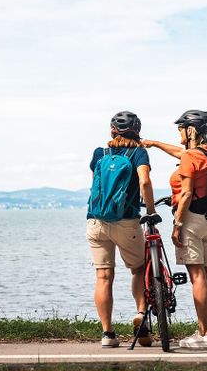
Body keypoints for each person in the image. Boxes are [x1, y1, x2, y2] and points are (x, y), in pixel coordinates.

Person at [143, 109, 207, 349]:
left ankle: (203, 334)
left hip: (191, 221)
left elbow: (186, 192)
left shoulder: (191, 157)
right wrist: (154, 143)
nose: (177, 132)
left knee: (197, 276)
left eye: (180, 128)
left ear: (191, 130)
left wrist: (177, 224)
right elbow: (180, 153)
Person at [86, 111, 156, 348]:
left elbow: (99, 183)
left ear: (112, 130)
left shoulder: (100, 154)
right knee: (138, 269)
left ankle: (107, 334)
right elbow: (144, 181)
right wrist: (150, 209)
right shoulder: (138, 153)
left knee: (103, 276)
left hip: (96, 221)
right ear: (137, 131)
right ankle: (141, 317)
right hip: (127, 222)